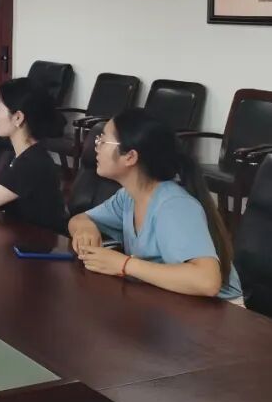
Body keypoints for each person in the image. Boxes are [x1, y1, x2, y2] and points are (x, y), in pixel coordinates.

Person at [68, 108, 242, 300]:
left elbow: (207, 282)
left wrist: (124, 264)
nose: (96, 146)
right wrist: (85, 228)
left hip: (219, 310)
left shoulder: (174, 206)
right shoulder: (127, 197)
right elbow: (79, 219)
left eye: (103, 141)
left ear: (130, 157)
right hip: (173, 302)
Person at [0, 78, 67, 232]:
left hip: (41, 242)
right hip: (22, 235)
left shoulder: (31, 163)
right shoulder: (25, 154)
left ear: (18, 117)